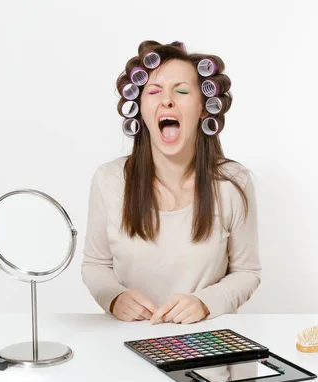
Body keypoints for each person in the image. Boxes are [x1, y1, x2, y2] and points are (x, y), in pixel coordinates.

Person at [81, 40, 261, 324]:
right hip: (129, 343)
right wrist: (114, 298)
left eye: (181, 91)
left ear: (203, 108)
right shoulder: (109, 180)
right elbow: (95, 265)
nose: (167, 100)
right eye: (154, 91)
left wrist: (205, 303)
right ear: (139, 108)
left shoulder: (233, 182)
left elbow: (247, 272)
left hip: (208, 345)